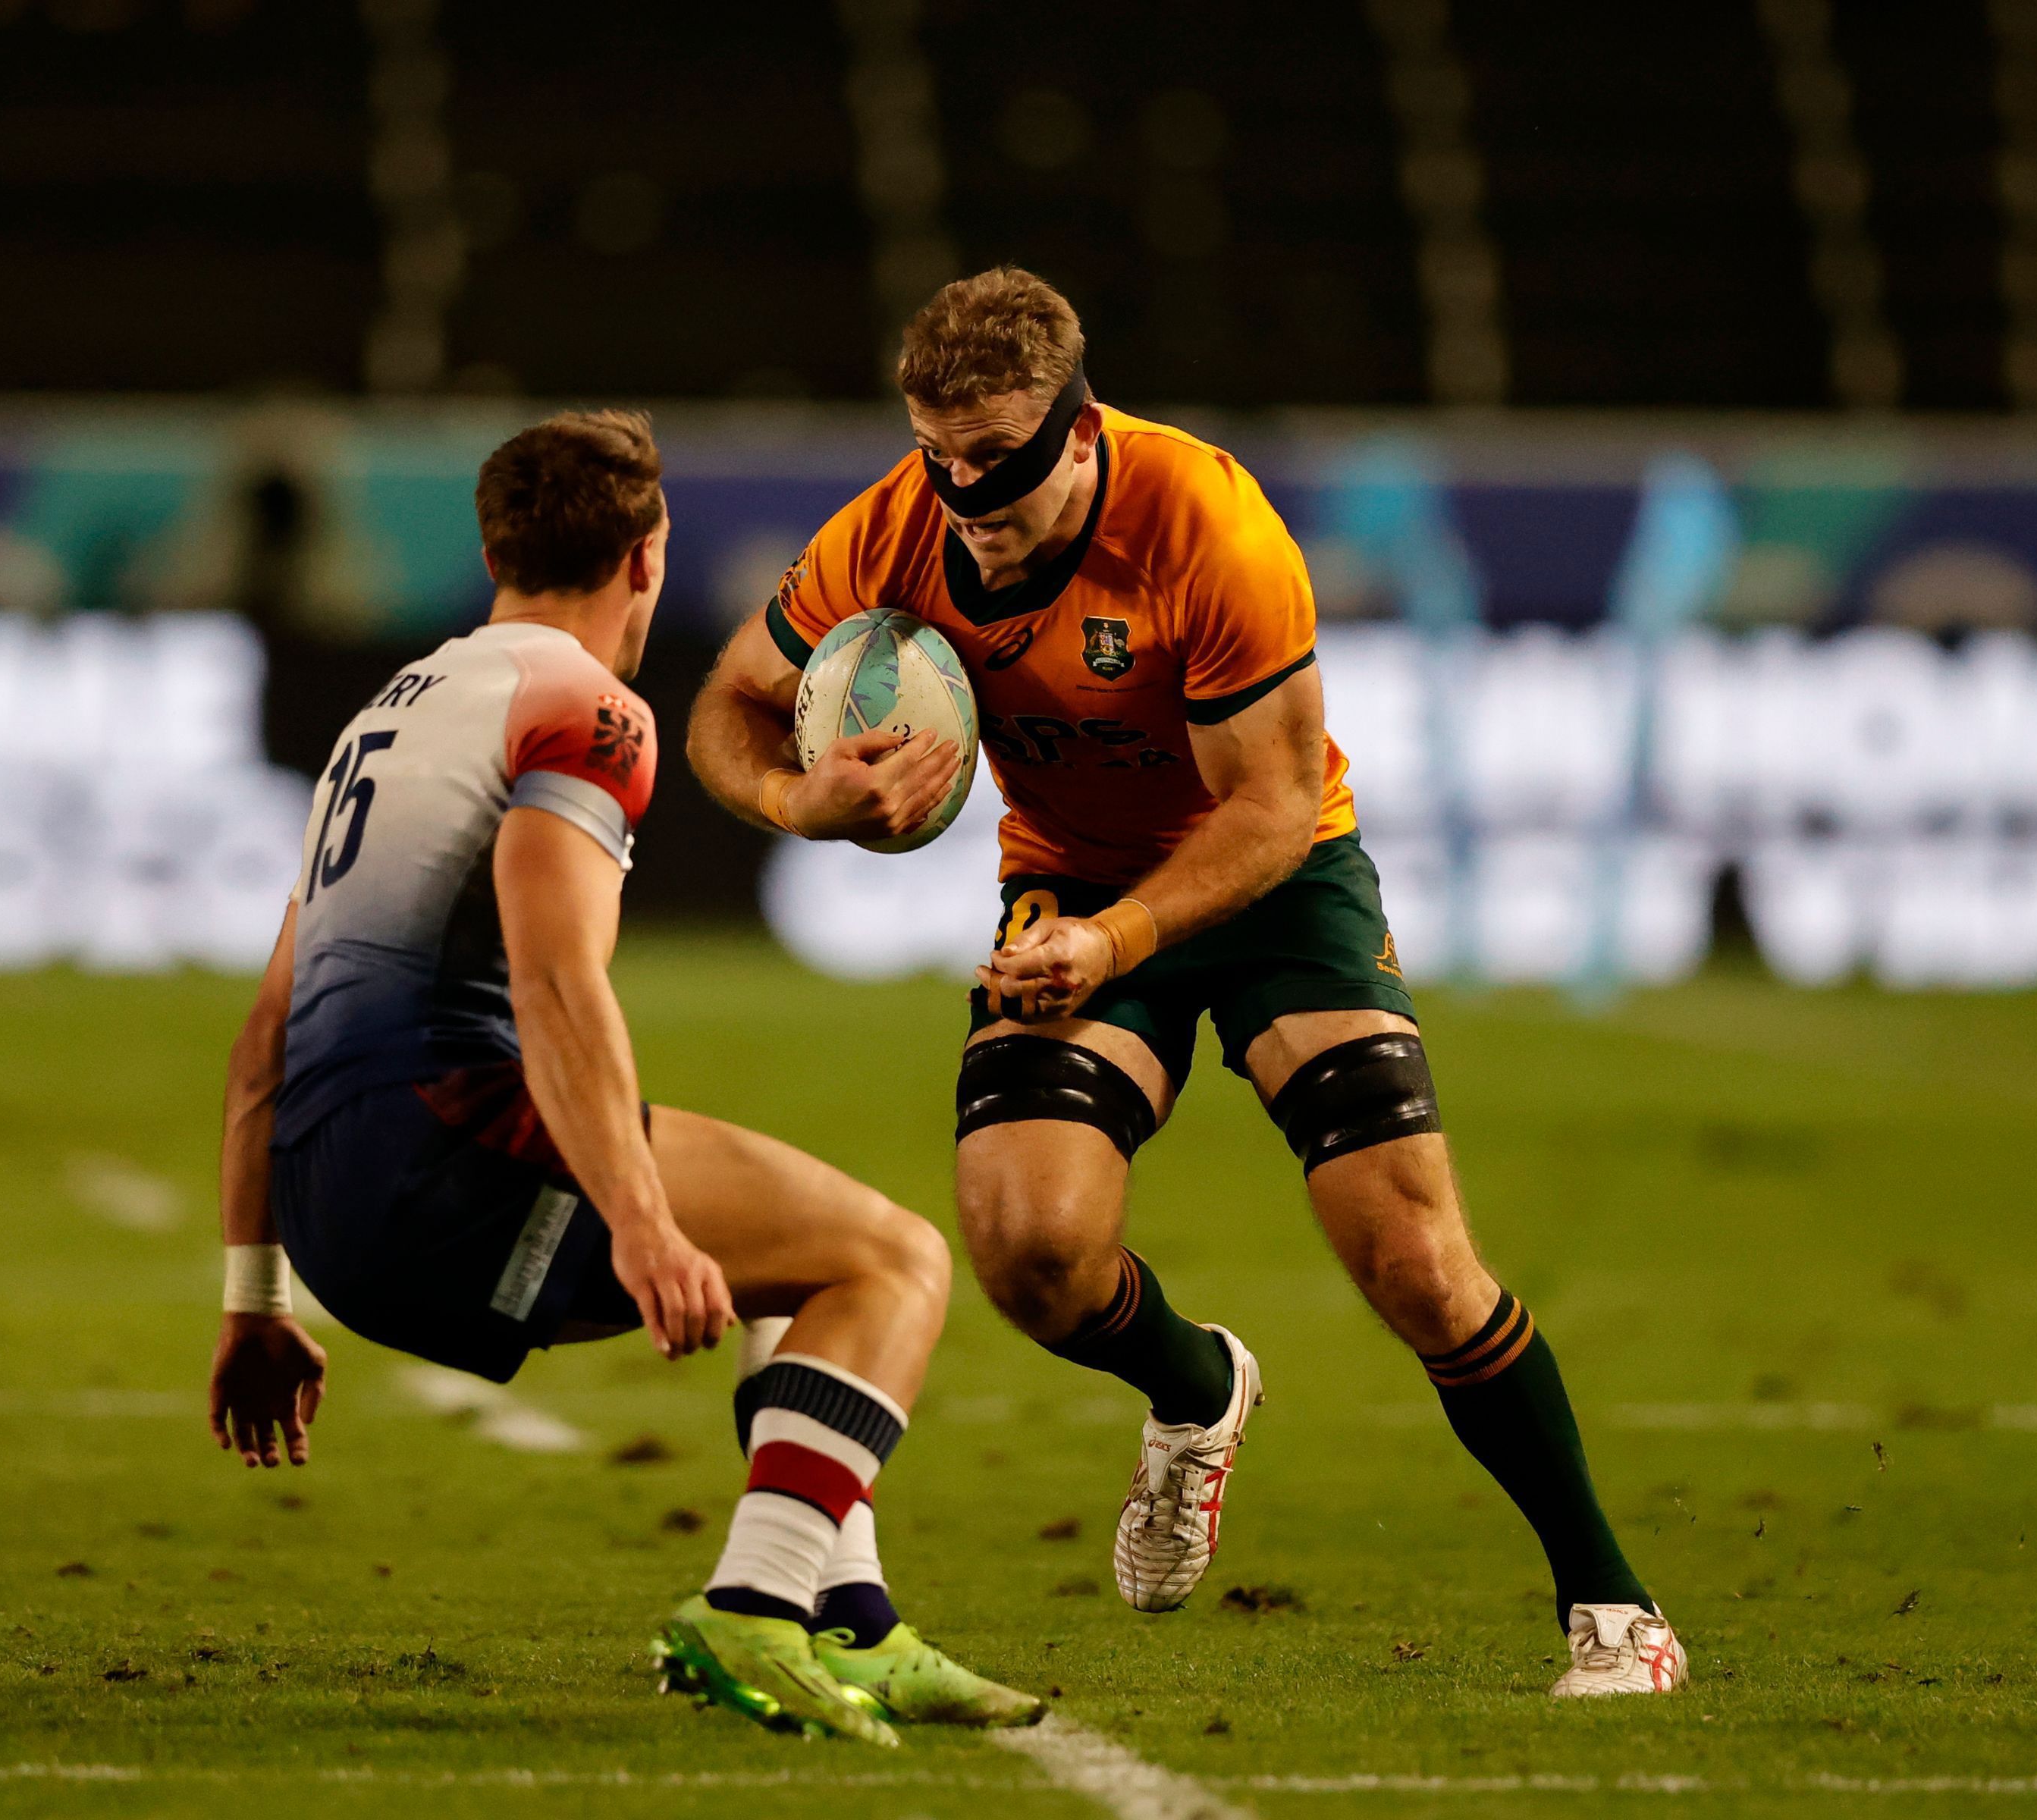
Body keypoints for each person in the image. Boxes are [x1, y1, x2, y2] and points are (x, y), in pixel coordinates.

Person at [688, 271, 1684, 1697]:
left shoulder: (1207, 526)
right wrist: (798, 801)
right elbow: (729, 704)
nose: (966, 494)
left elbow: (1270, 808)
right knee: (1030, 1252)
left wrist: (1118, 943)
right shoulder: (894, 530)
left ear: (1080, 430)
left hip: (1277, 885)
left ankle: (1612, 1602)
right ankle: (1197, 1388)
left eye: (999, 459)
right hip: (1072, 879)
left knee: (1414, 1261)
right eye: (938, 455)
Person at [203, 409, 1041, 1745]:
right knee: (894, 1263)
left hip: (328, 1200)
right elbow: (555, 980)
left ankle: (856, 1625)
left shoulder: (388, 717)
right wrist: (643, 1224)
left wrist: (254, 1298)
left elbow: (264, 1033)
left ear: (496, 552)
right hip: (444, 1155)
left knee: (796, 1254)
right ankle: (756, 1606)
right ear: (648, 558)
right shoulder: (589, 712)